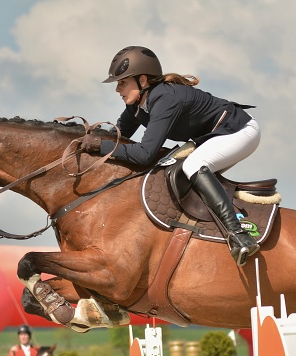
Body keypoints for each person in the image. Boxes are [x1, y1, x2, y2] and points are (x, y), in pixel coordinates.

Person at [80, 46, 261, 267]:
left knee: (193, 165)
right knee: (177, 171)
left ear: (143, 80)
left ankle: (238, 234)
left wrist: (100, 146)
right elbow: (118, 139)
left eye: (122, 83)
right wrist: (86, 142)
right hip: (213, 137)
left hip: (239, 130)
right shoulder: (136, 107)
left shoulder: (165, 99)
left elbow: (145, 154)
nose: (118, 89)